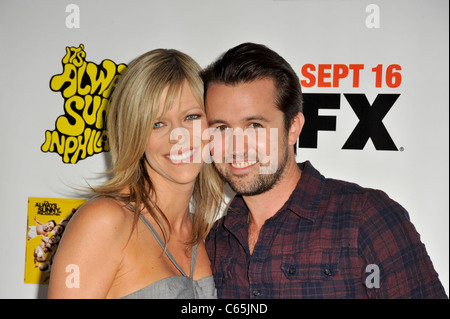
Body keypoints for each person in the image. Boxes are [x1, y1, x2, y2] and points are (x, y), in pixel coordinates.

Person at [201, 42, 448, 299]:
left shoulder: (366, 218)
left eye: (254, 125)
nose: (235, 147)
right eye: (221, 128)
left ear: (293, 128)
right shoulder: (217, 242)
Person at [48, 49, 224, 299]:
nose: (178, 136)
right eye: (157, 123)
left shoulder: (207, 235)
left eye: (192, 116)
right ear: (134, 133)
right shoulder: (103, 222)